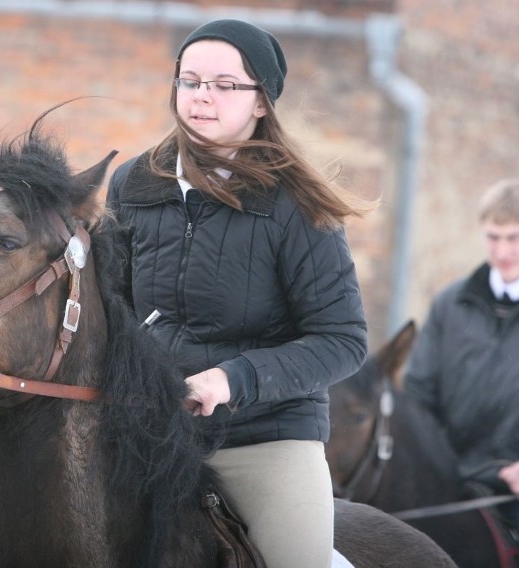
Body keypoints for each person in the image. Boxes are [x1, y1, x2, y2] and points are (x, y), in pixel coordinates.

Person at [106, 19, 370, 568]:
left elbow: (343, 340)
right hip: (146, 432)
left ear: (260, 104)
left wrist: (234, 379)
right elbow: (110, 309)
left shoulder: (297, 205)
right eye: (190, 80)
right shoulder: (132, 185)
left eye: (225, 85)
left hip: (264, 440)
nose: (202, 97)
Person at [403, 178, 519, 568]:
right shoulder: (451, 304)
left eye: (514, 238)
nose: (501, 251)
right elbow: (418, 395)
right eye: (492, 237)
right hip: (451, 485)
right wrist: (439, 464)